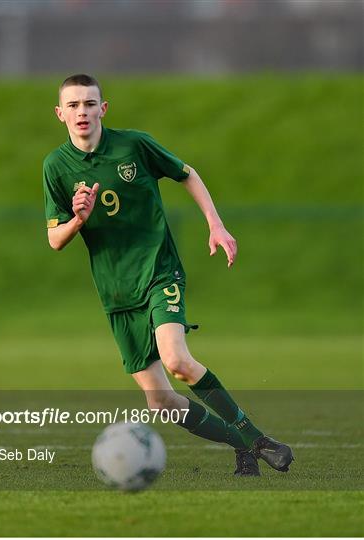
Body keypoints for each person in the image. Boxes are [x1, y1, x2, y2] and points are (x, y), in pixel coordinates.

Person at [43, 73, 293, 477]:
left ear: (103, 108)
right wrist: (77, 219)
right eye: (73, 105)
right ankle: (241, 443)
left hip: (160, 271)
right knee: (160, 402)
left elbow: (186, 173)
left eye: (89, 103)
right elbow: (55, 239)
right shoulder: (55, 166)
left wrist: (216, 224)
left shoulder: (133, 145)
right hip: (116, 293)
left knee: (177, 360)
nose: (82, 111)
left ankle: (258, 439)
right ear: (60, 114)